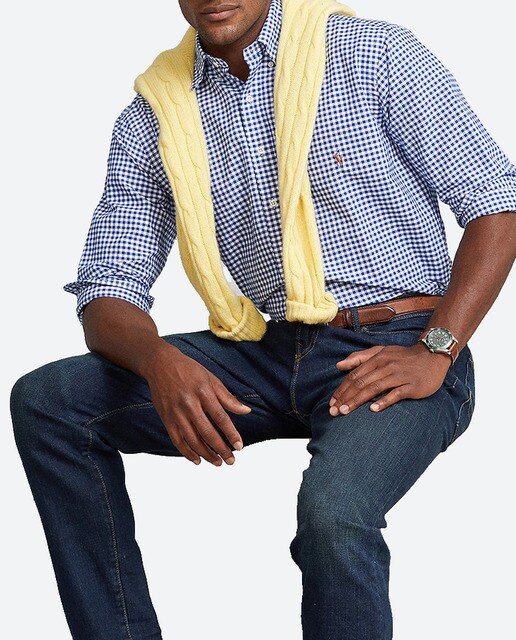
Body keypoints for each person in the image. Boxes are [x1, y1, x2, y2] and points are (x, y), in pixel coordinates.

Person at [10, 0, 516, 637]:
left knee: (334, 513)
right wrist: (160, 363)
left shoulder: (371, 53)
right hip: (272, 349)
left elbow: (498, 205)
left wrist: (437, 348)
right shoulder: (156, 111)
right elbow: (108, 287)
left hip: (399, 345)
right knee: (50, 402)